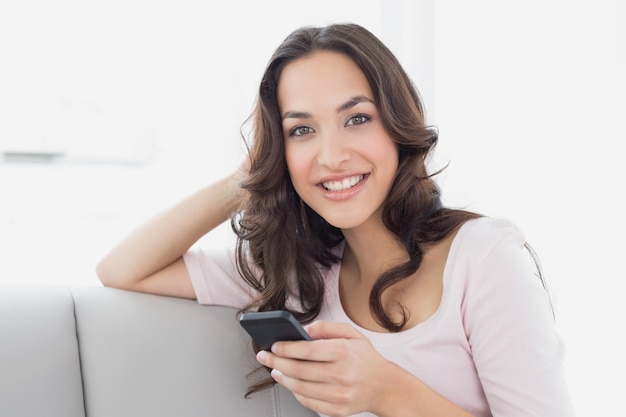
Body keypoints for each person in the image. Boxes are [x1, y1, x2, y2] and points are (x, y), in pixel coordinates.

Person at [97, 23, 575, 417]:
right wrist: (250, 176)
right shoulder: (301, 272)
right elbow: (123, 269)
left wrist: (386, 390)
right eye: (301, 130)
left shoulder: (484, 257)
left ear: (396, 124)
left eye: (357, 118)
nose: (331, 156)